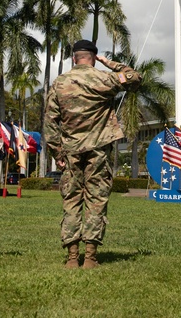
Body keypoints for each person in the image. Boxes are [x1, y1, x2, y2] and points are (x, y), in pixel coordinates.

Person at [43, 39, 142, 269]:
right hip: (98, 150)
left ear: (73, 58)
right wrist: (110, 64)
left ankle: (71, 258)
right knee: (96, 200)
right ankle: (90, 257)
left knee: (71, 201)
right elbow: (135, 77)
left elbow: (50, 123)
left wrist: (57, 152)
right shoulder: (103, 78)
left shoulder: (60, 83)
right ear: (94, 57)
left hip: (70, 151)